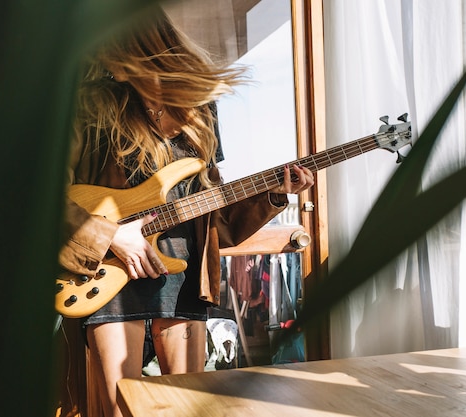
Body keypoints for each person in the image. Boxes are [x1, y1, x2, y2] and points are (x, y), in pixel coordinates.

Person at [58, 6, 314, 417]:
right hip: (108, 272)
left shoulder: (200, 110)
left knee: (186, 406)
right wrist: (110, 236)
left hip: (183, 275)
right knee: (119, 406)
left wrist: (273, 195)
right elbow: (45, 198)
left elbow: (216, 219)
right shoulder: (91, 104)